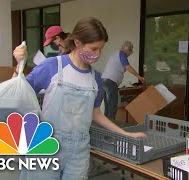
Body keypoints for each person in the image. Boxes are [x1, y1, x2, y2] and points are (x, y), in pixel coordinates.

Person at [13, 17, 146, 180]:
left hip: (79, 151)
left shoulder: (95, 78)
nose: (97, 54)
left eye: (101, 49)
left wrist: (125, 134)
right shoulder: (52, 66)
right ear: (77, 42)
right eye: (93, 48)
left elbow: (96, 114)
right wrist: (19, 65)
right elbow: (18, 92)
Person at [101, 41, 145, 120]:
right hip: (110, 82)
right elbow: (128, 67)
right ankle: (110, 128)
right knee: (112, 106)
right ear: (128, 49)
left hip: (103, 81)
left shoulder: (115, 53)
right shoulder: (122, 54)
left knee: (108, 106)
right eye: (130, 52)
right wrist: (139, 76)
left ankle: (105, 128)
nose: (129, 54)